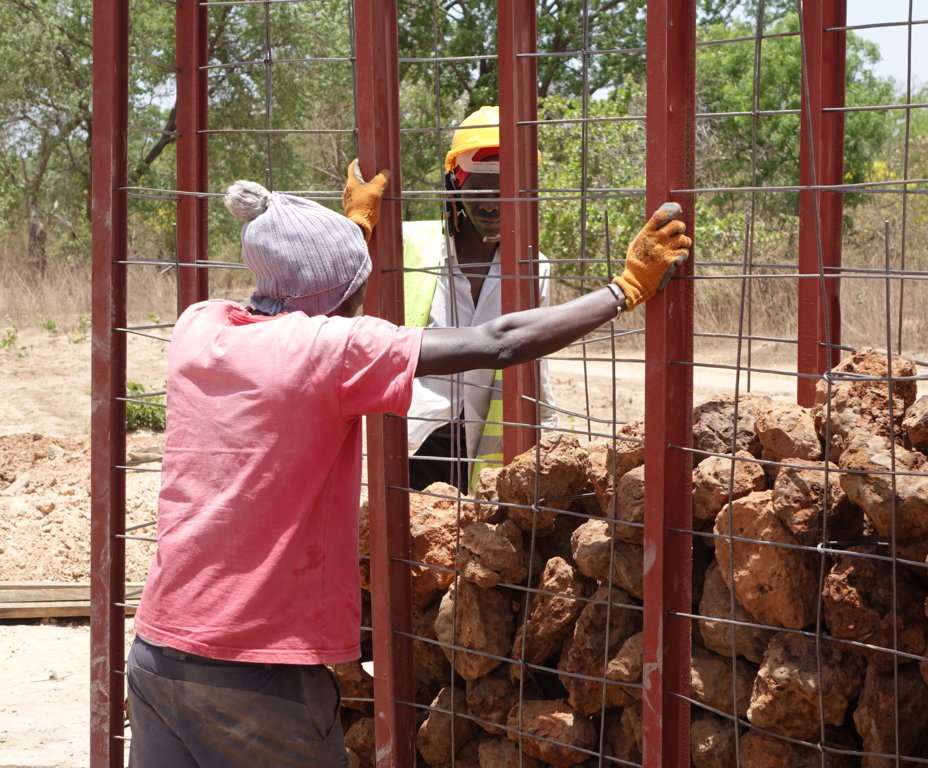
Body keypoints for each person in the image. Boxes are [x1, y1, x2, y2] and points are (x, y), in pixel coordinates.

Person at [125, 160, 691, 767]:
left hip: (157, 653)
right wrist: (623, 289)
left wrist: (346, 235)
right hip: (259, 675)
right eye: (358, 283)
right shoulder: (334, 353)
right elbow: (496, 342)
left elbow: (298, 299)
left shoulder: (198, 328)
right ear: (340, 296)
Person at [404, 105, 556, 494]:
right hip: (412, 439)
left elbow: (536, 364)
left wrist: (549, 435)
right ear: (454, 181)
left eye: (505, 188)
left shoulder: (532, 268)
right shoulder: (406, 246)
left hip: (484, 452)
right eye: (479, 186)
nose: (491, 203)